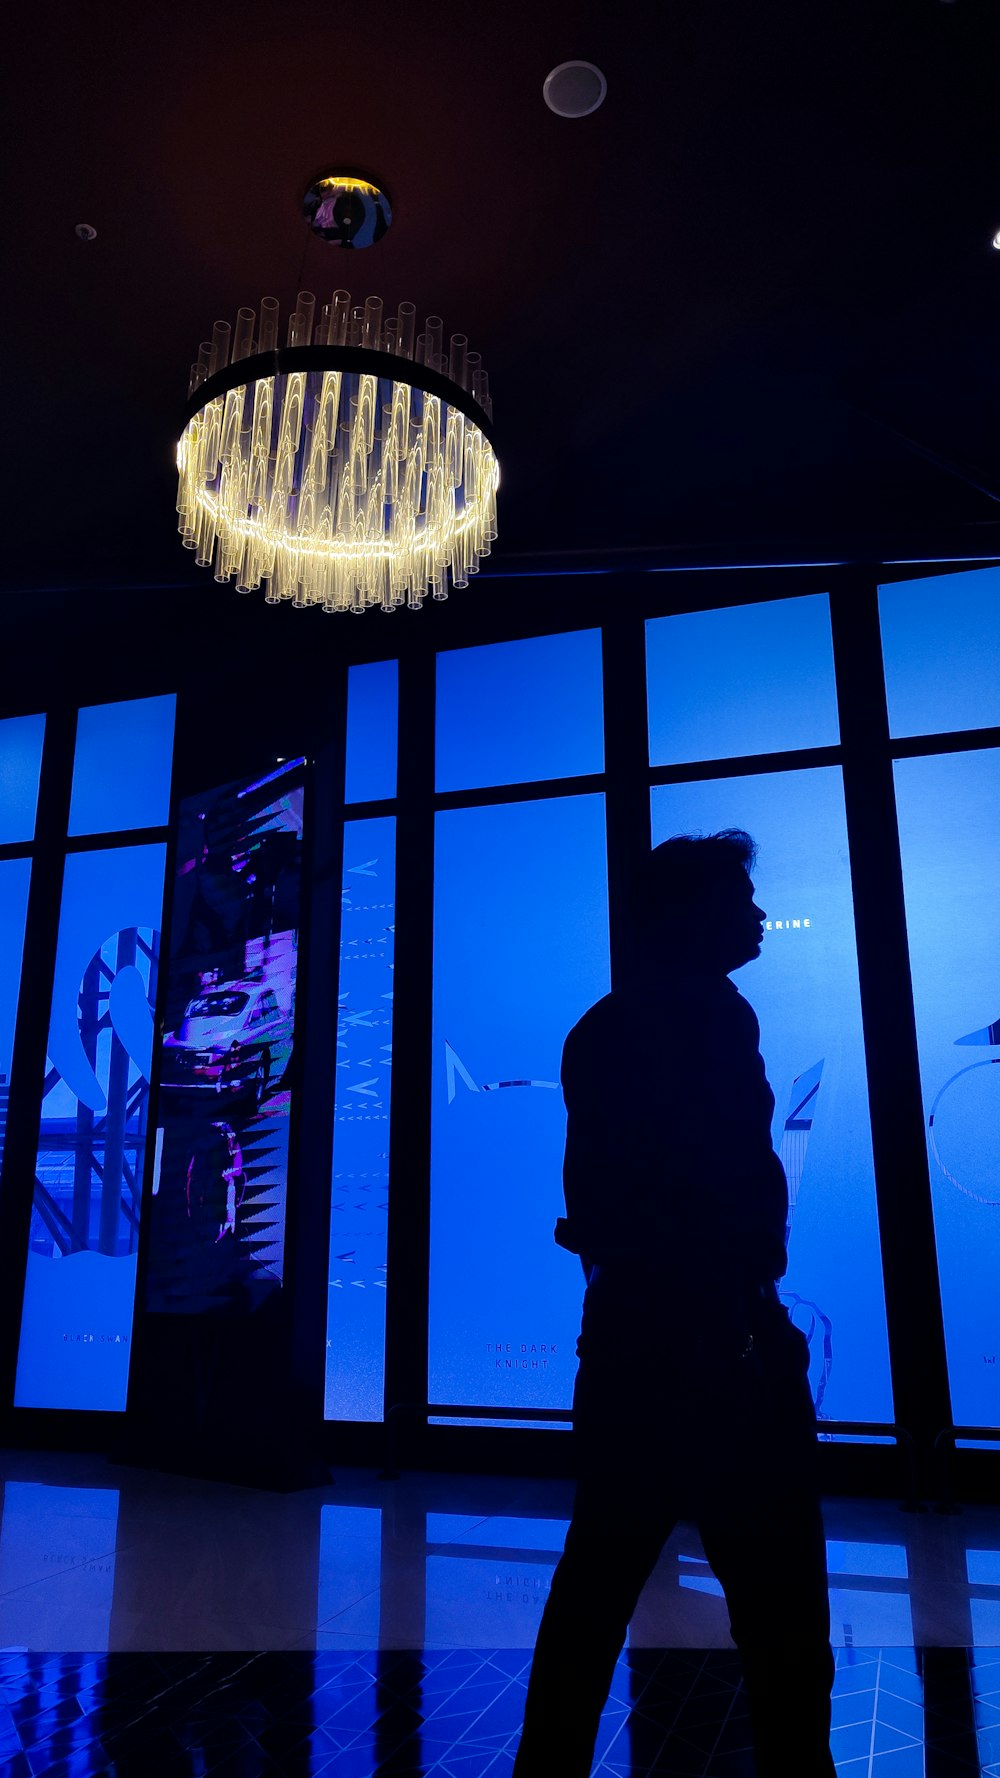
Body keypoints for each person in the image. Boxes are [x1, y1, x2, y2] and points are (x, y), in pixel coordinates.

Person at [513, 830, 836, 1777]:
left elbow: (603, 1202)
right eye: (740, 899)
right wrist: (750, 1318)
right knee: (781, 1614)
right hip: (725, 1343)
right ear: (692, 915)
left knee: (593, 1589)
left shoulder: (602, 1026)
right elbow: (724, 1189)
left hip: (628, 1342)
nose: (758, 915)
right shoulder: (713, 1021)